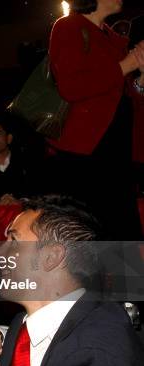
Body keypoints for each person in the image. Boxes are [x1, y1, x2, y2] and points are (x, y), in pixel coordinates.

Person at [0, 195, 144, 366]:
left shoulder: (99, 356)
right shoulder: (32, 320)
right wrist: (0, 333)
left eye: (14, 241)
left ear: (51, 257)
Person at [47, 0, 144, 239]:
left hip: (116, 146)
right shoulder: (68, 26)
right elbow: (71, 86)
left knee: (123, 228)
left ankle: (130, 277)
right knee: (95, 231)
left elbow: (121, 92)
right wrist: (127, 64)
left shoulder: (109, 35)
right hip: (88, 152)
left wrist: (141, 77)